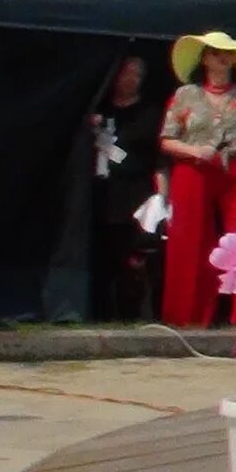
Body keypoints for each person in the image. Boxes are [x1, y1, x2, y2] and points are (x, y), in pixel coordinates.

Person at [156, 31, 236, 328]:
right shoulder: (186, 95)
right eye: (216, 52)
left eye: (229, 52)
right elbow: (167, 140)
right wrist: (195, 150)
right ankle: (189, 315)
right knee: (191, 240)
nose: (224, 57)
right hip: (194, 169)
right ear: (205, 58)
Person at [91, 53, 167, 320]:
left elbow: (158, 159)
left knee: (133, 258)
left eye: (137, 74)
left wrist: (162, 196)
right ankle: (99, 312)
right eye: (126, 73)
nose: (130, 79)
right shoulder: (99, 108)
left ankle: (131, 313)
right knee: (103, 255)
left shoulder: (150, 113)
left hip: (135, 195)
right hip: (101, 192)